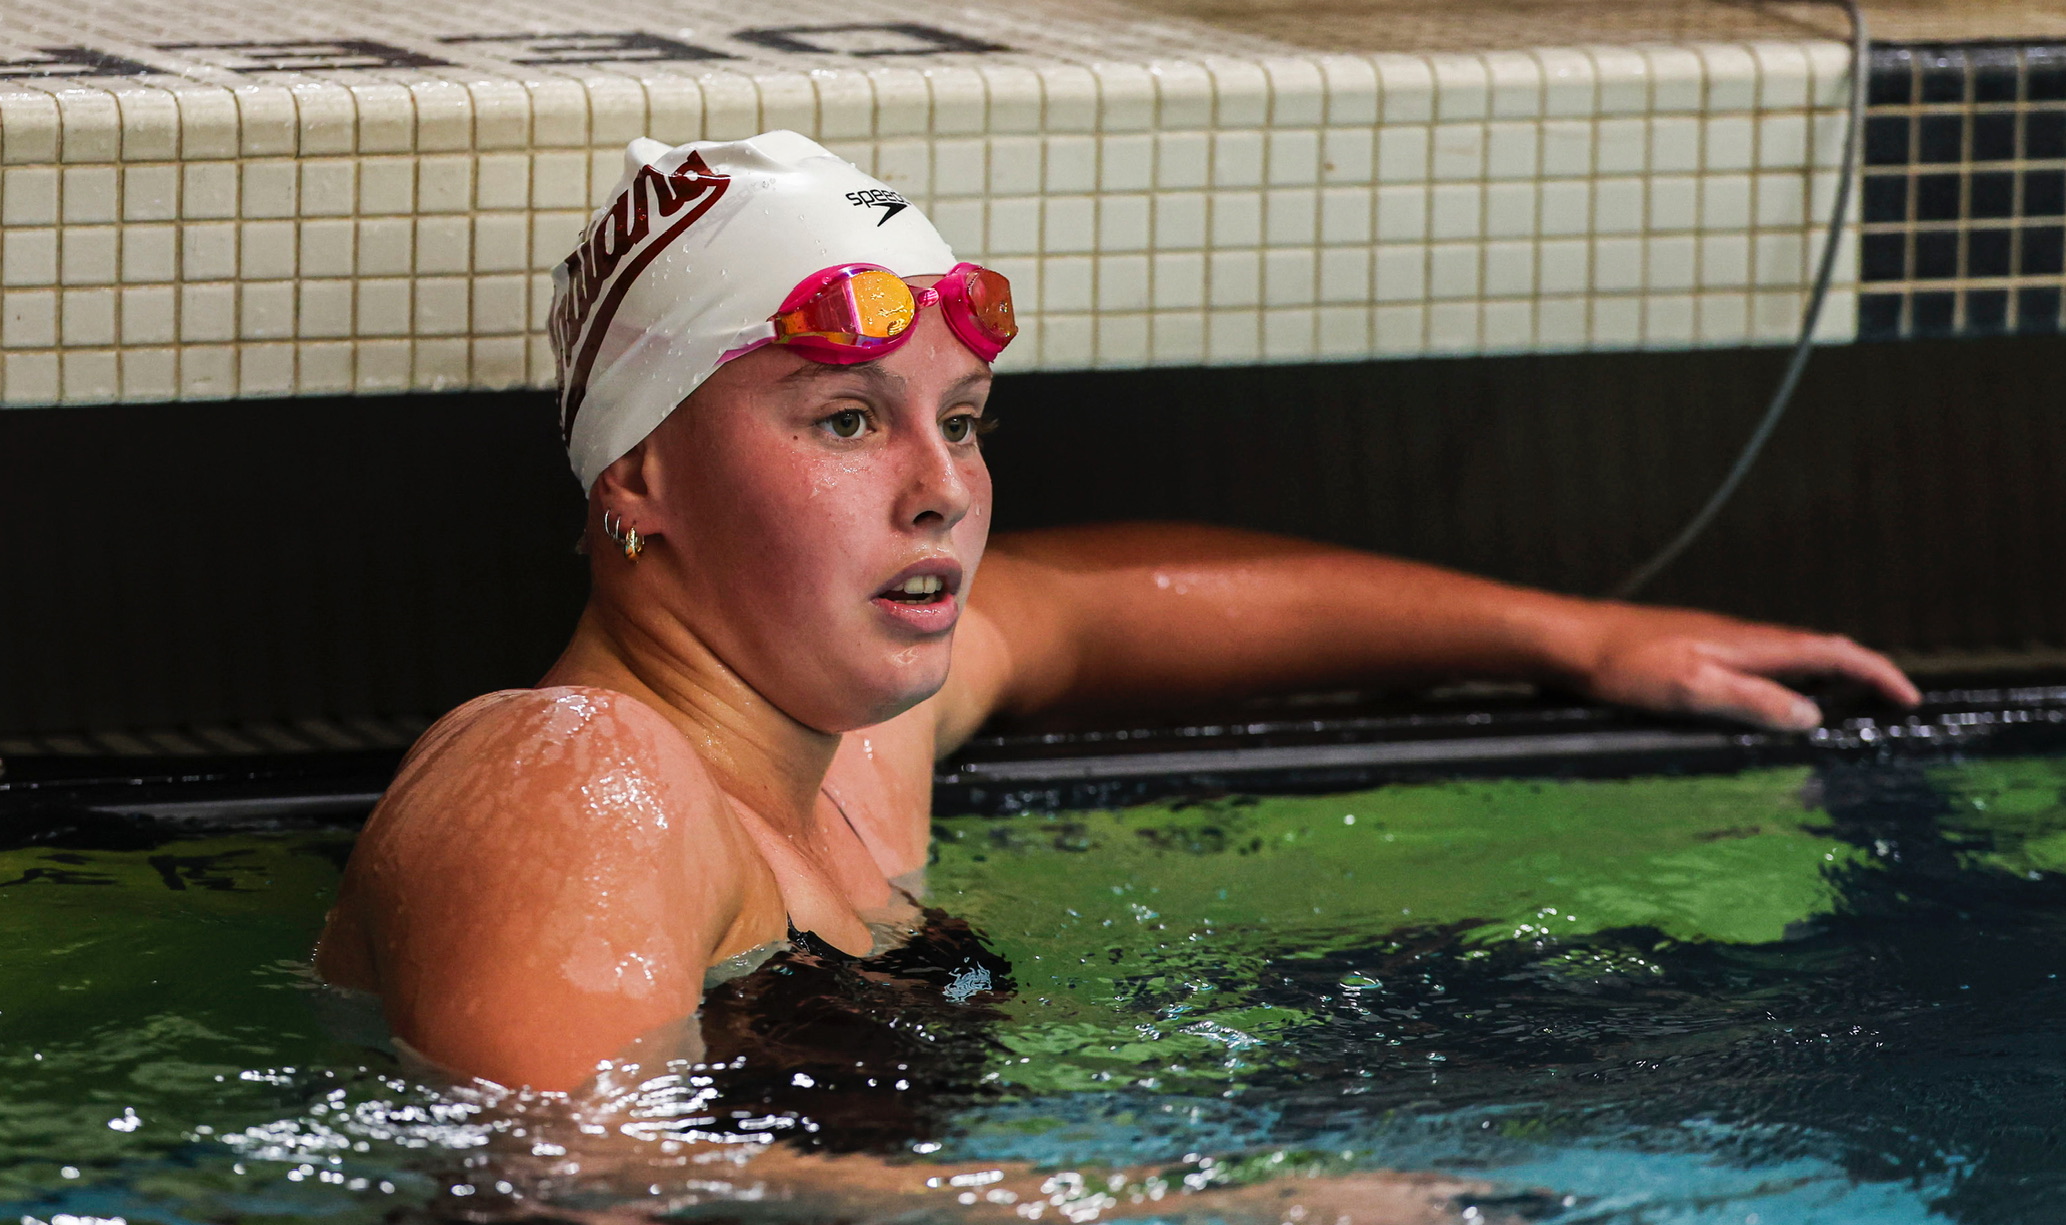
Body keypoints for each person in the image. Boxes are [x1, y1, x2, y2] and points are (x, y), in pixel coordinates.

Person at [315, 130, 1918, 1101]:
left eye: (966, 420)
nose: (942, 487)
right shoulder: (576, 774)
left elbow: (1085, 604)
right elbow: (573, 1196)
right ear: (641, 477)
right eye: (847, 421)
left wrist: (1572, 638)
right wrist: (1181, 1219)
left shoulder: (845, 776)